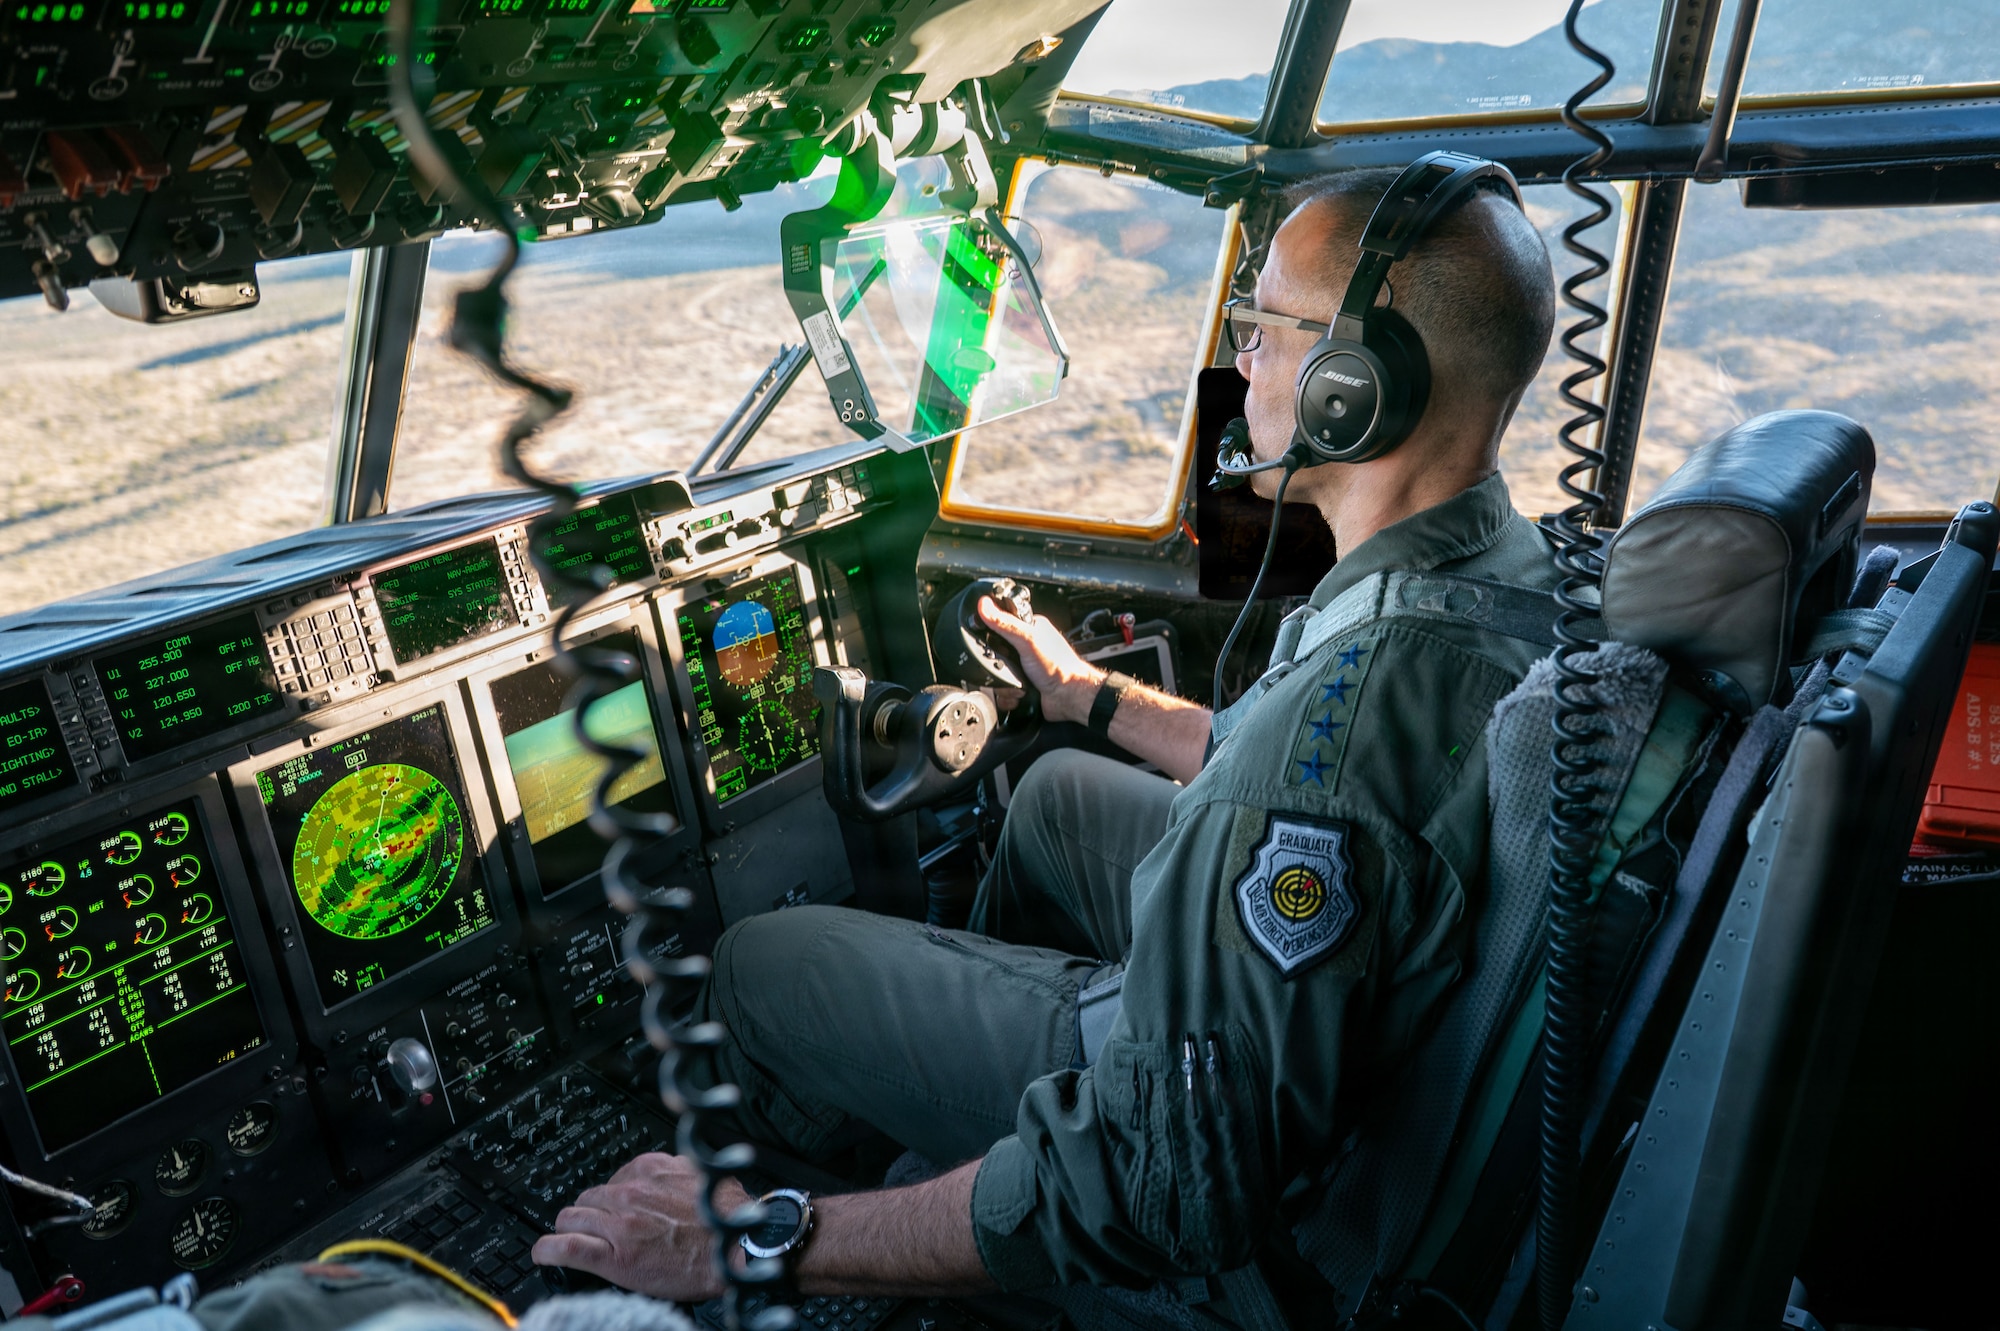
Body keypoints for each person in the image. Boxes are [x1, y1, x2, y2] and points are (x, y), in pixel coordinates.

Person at [531, 163, 1560, 1307]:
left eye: (1263, 326)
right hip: (1340, 1039)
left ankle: (877, 1221)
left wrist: (759, 1235)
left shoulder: (1335, 731)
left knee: (760, 962)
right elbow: (1291, 763)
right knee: (1060, 787)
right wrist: (1083, 693)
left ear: (1352, 386)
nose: (1241, 361)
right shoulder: (1500, 571)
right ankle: (964, 1130)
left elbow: (1161, 1180)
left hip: (1239, 1205)